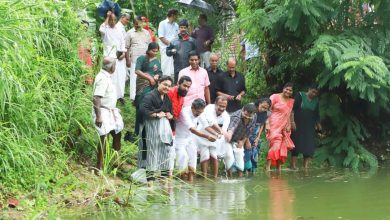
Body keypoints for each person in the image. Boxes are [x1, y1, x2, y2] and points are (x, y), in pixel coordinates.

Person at [138, 76, 174, 182]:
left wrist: (169, 115)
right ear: (159, 83)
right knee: (152, 150)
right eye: (165, 84)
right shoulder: (150, 96)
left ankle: (164, 177)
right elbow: (143, 110)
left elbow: (170, 112)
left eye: (169, 86)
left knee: (165, 150)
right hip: (151, 126)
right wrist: (157, 114)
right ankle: (150, 180)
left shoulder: (166, 98)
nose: (167, 87)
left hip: (163, 128)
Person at [92, 57, 124, 173]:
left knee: (117, 133)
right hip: (103, 111)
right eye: (115, 64)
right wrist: (99, 116)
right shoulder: (102, 78)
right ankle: (98, 167)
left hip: (110, 111)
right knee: (103, 138)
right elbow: (96, 98)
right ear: (112, 67)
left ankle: (116, 163)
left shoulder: (107, 77)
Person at [175, 99, 216, 181]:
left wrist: (217, 134)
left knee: (193, 157)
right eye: (198, 112)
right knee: (183, 158)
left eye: (201, 112)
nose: (199, 114)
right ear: (192, 108)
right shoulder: (184, 112)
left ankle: (191, 182)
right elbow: (192, 129)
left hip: (190, 138)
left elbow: (206, 124)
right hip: (179, 138)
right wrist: (207, 136)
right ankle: (182, 181)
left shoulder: (200, 113)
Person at [197, 96, 230, 178]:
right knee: (205, 155)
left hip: (216, 138)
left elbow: (224, 131)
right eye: (220, 106)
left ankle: (215, 177)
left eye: (224, 107)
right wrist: (220, 132)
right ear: (215, 104)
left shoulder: (226, 116)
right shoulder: (208, 108)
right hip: (203, 135)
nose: (222, 108)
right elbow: (209, 125)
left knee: (214, 156)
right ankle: (204, 177)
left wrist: (220, 135)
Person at [133, 42, 162, 135]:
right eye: (153, 51)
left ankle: (148, 130)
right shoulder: (141, 58)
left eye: (157, 51)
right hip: (142, 84)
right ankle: (138, 130)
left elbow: (160, 72)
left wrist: (157, 76)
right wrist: (149, 78)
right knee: (141, 104)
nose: (155, 53)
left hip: (153, 86)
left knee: (150, 104)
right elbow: (137, 70)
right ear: (148, 50)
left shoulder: (157, 61)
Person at [265, 82, 295, 172]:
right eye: (287, 89)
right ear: (283, 88)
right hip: (273, 124)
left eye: (290, 90)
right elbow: (267, 110)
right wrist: (267, 123)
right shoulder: (274, 97)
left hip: (284, 127)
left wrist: (289, 124)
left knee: (282, 147)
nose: (288, 91)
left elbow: (289, 114)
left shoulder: (291, 101)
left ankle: (279, 168)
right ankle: (268, 167)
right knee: (275, 144)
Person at [290, 85, 321, 170]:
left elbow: (316, 114)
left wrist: (318, 125)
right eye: (313, 91)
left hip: (309, 126)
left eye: (316, 93)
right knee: (296, 143)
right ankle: (293, 165)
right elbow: (292, 109)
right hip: (297, 124)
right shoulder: (300, 95)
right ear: (309, 89)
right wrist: (292, 122)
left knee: (309, 145)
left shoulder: (316, 101)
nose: (314, 94)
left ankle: (305, 167)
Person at [167, 75, 192, 173]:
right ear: (178, 84)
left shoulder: (182, 97)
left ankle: (169, 175)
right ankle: (166, 176)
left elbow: (176, 115)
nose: (186, 88)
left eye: (188, 87)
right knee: (169, 151)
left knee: (171, 152)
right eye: (184, 86)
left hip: (172, 126)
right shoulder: (170, 92)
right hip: (164, 124)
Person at [224, 103, 257, 177]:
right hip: (227, 138)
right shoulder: (236, 116)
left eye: (250, 115)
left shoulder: (254, 116)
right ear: (243, 110)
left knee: (239, 155)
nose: (248, 117)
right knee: (229, 156)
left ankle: (240, 178)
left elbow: (249, 130)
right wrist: (229, 136)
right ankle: (230, 177)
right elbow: (231, 128)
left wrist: (243, 141)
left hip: (239, 139)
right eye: (246, 114)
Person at [99, 10, 126, 102]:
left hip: (118, 57)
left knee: (119, 77)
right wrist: (107, 16)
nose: (113, 22)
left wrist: (123, 53)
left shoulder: (118, 30)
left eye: (114, 20)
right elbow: (101, 29)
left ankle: (118, 96)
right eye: (111, 20)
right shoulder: (105, 29)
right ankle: (107, 95)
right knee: (108, 77)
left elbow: (122, 42)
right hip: (108, 56)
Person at [125, 16, 152, 101]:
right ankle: (133, 97)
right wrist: (128, 59)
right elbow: (127, 47)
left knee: (145, 77)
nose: (137, 25)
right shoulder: (129, 33)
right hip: (134, 59)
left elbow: (150, 45)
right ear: (133, 24)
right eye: (135, 24)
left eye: (139, 24)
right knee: (134, 78)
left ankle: (144, 95)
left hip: (145, 59)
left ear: (142, 23)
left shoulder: (147, 33)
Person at [244, 98, 271, 175]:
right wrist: (247, 140)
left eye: (266, 108)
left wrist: (258, 137)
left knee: (255, 152)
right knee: (246, 152)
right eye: (262, 106)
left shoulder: (266, 113)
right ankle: (244, 170)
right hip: (246, 134)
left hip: (255, 134)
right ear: (259, 103)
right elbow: (245, 125)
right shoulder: (251, 107)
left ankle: (252, 172)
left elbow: (261, 125)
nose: (263, 109)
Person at [166, 19, 196, 84]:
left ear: (187, 28)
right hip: (178, 69)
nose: (183, 29)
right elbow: (167, 52)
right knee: (177, 86)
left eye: (185, 27)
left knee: (190, 86)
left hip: (190, 68)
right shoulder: (174, 41)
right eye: (181, 27)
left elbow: (197, 55)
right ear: (179, 28)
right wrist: (171, 51)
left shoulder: (192, 41)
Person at [158, 9, 179, 77]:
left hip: (175, 49)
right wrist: (171, 45)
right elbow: (161, 37)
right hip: (165, 49)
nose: (177, 17)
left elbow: (177, 37)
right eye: (176, 15)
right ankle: (165, 82)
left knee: (173, 68)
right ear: (173, 15)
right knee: (165, 68)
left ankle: (173, 83)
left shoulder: (176, 25)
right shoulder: (162, 23)